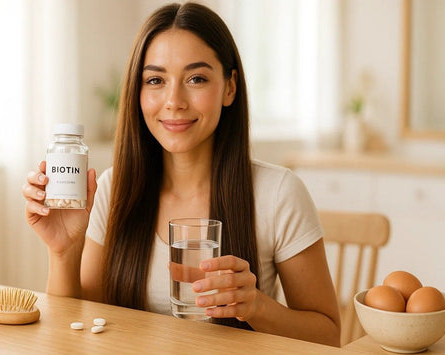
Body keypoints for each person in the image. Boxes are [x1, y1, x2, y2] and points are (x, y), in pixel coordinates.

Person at [23, 2, 340, 347]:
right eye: (156, 80)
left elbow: (328, 336)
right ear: (137, 91)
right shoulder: (113, 189)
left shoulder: (278, 193)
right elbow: (76, 325)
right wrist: (64, 251)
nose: (174, 100)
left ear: (230, 87)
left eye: (196, 78)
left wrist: (257, 307)